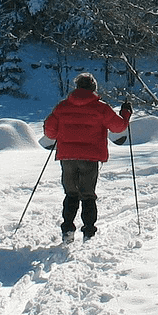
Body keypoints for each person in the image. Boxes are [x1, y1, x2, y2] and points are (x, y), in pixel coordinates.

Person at [43, 72, 132, 243]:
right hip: (90, 158)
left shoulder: (62, 107)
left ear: (77, 87)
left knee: (71, 193)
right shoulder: (100, 107)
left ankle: (68, 229)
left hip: (67, 157)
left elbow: (50, 132)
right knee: (88, 195)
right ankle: (89, 233)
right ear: (93, 88)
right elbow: (119, 127)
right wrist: (126, 113)